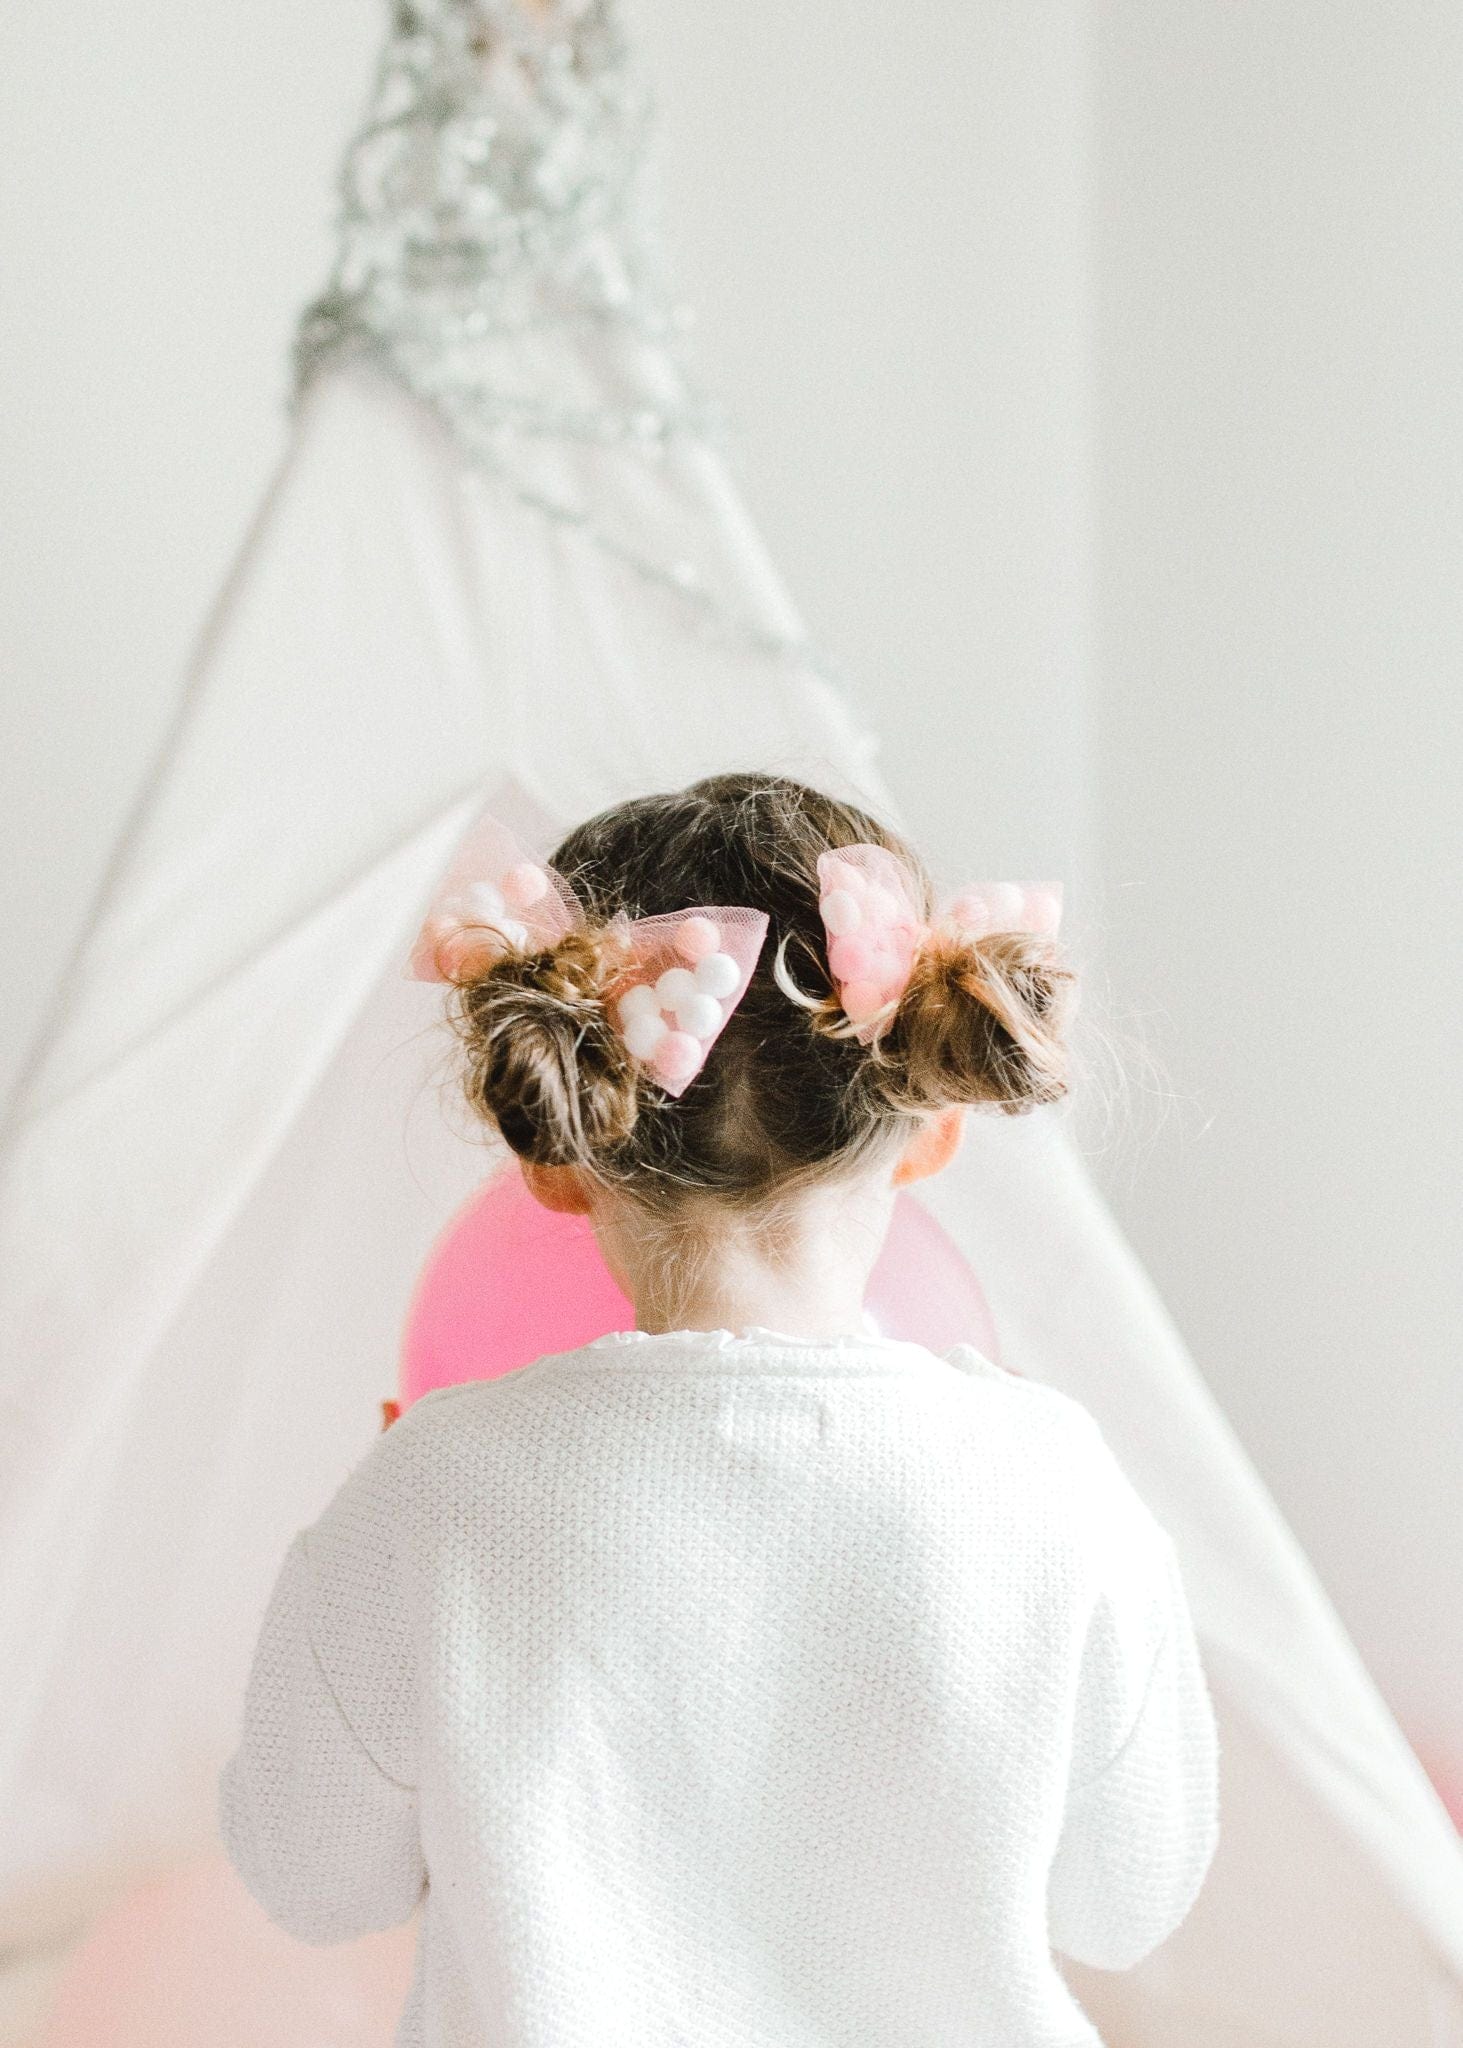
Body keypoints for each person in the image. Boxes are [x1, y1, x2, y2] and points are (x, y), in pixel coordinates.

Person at [218, 771, 1219, 2047]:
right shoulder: (1051, 1476)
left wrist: (383, 1532)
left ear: (553, 1152)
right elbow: (1127, 1901)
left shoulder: (434, 1486)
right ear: (929, 1128)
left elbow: (309, 1876)